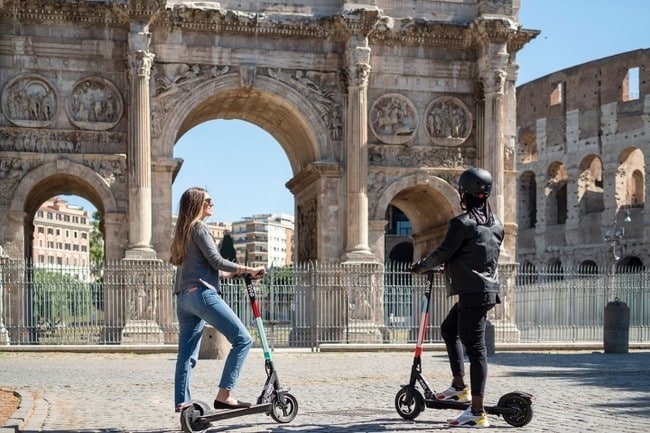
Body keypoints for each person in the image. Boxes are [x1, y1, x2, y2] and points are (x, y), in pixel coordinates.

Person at [410, 167, 503, 428]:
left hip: (473, 294)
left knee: (476, 350)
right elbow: (478, 255)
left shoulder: (461, 224)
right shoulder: (497, 225)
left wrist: (421, 267)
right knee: (449, 329)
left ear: (464, 194)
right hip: (485, 291)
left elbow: (443, 252)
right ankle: (459, 386)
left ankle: (477, 411)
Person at [170, 187, 266, 413]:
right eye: (208, 200)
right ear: (198, 204)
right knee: (243, 339)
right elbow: (216, 261)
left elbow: (206, 268)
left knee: (186, 355)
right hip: (202, 295)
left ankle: (183, 403)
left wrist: (233, 274)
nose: (212, 203)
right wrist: (249, 269)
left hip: (183, 299)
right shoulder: (200, 228)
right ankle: (225, 395)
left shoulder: (182, 232)